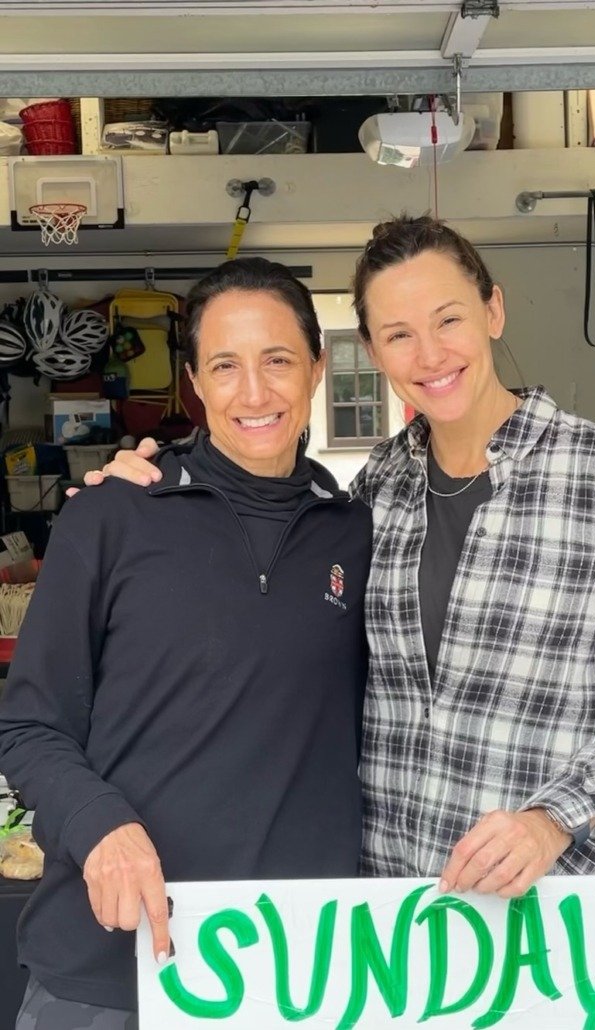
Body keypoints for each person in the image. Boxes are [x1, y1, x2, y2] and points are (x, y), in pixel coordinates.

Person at [84, 214, 595, 900]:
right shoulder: (378, 487)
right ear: (372, 352)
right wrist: (147, 472)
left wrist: (552, 819)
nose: (429, 355)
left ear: (492, 311)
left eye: (448, 320)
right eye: (398, 335)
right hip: (396, 905)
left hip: (549, 896)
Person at [0, 257, 372, 1028]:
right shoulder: (111, 517)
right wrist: (101, 825)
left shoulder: (359, 534)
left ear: (317, 364)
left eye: (277, 360)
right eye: (225, 366)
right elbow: (29, 724)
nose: (255, 392)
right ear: (196, 383)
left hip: (290, 971)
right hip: (110, 965)